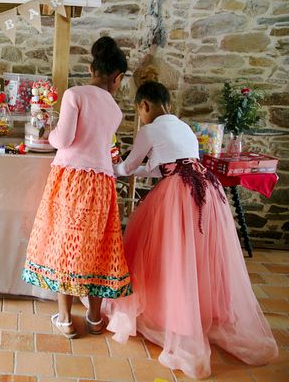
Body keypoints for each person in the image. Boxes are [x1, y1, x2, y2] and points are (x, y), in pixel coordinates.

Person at [105, 81, 278, 379]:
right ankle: (197, 310)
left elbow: (130, 167)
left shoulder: (148, 130)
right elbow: (166, 166)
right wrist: (136, 167)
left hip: (176, 195)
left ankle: (170, 313)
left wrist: (110, 163)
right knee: (196, 253)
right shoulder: (184, 128)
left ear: (144, 106)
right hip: (206, 189)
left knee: (168, 254)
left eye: (139, 110)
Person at [21, 36, 132, 338]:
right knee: (96, 246)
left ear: (90, 67)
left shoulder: (75, 94)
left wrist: (48, 131)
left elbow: (63, 139)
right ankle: (95, 319)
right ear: (117, 77)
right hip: (102, 182)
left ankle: (66, 319)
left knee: (65, 245)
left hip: (70, 179)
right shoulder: (115, 110)